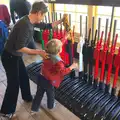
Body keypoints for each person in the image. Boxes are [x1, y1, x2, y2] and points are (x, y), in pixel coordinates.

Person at [0, 1, 66, 120]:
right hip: (9, 56)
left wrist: (62, 20)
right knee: (13, 84)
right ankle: (6, 111)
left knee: (24, 76)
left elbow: (48, 26)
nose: (43, 18)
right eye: (43, 15)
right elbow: (20, 47)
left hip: (15, 55)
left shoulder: (32, 20)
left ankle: (27, 97)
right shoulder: (25, 25)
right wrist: (39, 52)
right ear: (39, 13)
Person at [31, 39, 78, 114]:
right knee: (50, 94)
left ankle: (34, 109)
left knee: (39, 94)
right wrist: (72, 67)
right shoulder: (58, 62)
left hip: (41, 77)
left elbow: (55, 45)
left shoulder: (45, 53)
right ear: (59, 50)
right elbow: (62, 72)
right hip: (48, 81)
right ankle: (50, 106)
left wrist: (65, 37)